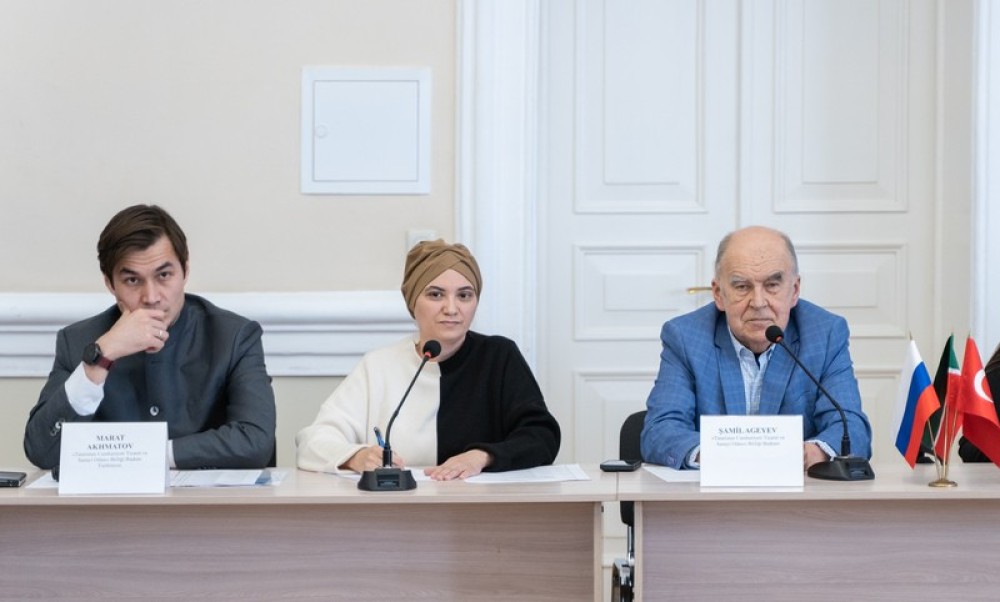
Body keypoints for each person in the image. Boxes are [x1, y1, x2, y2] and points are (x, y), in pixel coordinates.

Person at [24, 204, 276, 470]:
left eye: (164, 275)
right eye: (133, 281)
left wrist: (147, 454)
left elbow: (255, 441)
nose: (151, 297)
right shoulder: (78, 341)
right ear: (110, 283)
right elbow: (42, 451)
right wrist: (101, 358)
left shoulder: (234, 337)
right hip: (113, 498)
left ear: (185, 270)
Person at [296, 239, 560, 480]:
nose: (452, 308)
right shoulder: (379, 365)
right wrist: (356, 456)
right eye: (436, 294)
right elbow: (313, 441)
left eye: (464, 295)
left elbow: (542, 436)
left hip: (480, 509)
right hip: (399, 509)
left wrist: (482, 456)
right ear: (413, 302)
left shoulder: (499, 356)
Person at [640, 226, 872, 470]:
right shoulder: (686, 337)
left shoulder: (825, 334)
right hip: (713, 491)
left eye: (772, 285)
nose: (758, 303)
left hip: (798, 491)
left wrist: (809, 454)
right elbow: (660, 430)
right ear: (718, 294)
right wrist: (725, 456)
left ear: (794, 290)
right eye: (742, 286)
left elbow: (851, 427)